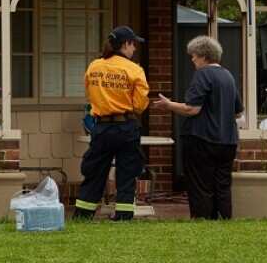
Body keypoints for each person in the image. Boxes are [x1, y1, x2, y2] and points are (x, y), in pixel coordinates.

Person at [154, 35, 242, 219]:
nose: (192, 59)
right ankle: (225, 219)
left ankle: (203, 220)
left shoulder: (203, 74)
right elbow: (237, 113)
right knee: (223, 185)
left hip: (202, 139)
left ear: (204, 56)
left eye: (194, 55)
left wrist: (169, 105)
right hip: (228, 142)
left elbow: (192, 109)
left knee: (200, 184)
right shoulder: (228, 76)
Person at [74, 25, 150, 221]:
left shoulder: (94, 66)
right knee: (127, 171)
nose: (134, 49)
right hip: (126, 127)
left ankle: (83, 215)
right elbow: (140, 105)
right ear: (125, 45)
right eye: (133, 45)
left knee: (95, 171)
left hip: (101, 127)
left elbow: (90, 95)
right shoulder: (135, 70)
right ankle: (124, 215)